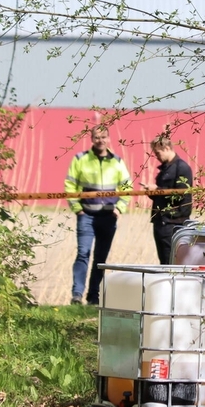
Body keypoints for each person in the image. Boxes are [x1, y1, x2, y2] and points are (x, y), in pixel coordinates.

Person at [65, 125, 131, 305]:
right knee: (83, 254)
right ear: (91, 139)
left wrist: (120, 208)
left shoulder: (117, 161)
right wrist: (77, 208)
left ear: (109, 139)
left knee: (100, 259)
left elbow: (127, 186)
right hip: (86, 215)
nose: (100, 140)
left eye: (104, 137)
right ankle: (77, 294)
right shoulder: (80, 159)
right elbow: (70, 186)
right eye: (97, 137)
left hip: (108, 217)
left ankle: (93, 297)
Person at [141, 134, 193, 264]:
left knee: (172, 262)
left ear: (166, 148)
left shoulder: (182, 168)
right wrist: (151, 192)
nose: (156, 156)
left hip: (173, 222)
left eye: (158, 152)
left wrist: (157, 190)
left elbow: (180, 194)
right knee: (164, 261)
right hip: (161, 221)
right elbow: (162, 195)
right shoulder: (165, 169)